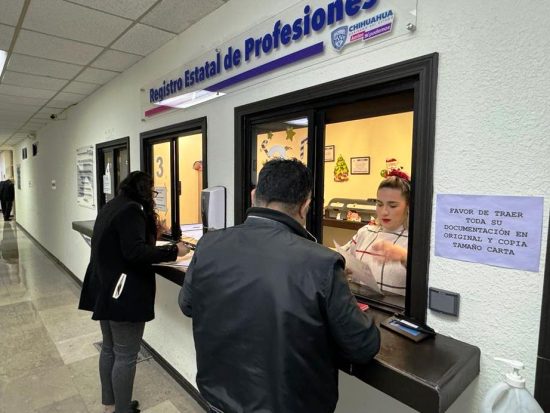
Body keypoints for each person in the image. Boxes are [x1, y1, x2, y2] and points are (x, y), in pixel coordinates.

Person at [179, 159, 380, 413]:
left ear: (254, 196)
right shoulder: (321, 263)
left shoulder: (209, 244)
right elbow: (362, 346)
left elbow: (187, 305)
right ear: (305, 206)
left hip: (218, 398)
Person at [79, 171, 189, 413]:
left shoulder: (113, 205)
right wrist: (174, 251)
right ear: (144, 192)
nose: (153, 196)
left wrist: (153, 233)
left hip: (104, 288)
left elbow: (125, 243)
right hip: (122, 293)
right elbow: (135, 253)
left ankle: (110, 404)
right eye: (152, 192)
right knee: (126, 355)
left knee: (109, 348)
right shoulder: (132, 210)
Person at [341, 169, 410, 296]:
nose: (384, 212)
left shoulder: (416, 240)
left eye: (392, 206)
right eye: (379, 204)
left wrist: (404, 257)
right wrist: (341, 269)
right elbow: (341, 258)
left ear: (408, 206)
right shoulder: (365, 232)